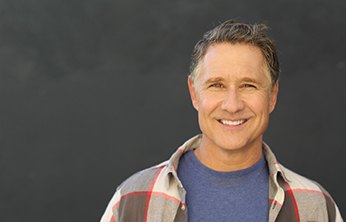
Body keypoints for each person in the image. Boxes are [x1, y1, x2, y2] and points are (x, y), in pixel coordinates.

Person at [101, 20, 343, 222]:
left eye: (248, 85)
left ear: (272, 96)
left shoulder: (315, 205)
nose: (232, 105)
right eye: (216, 85)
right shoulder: (133, 199)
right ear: (194, 93)